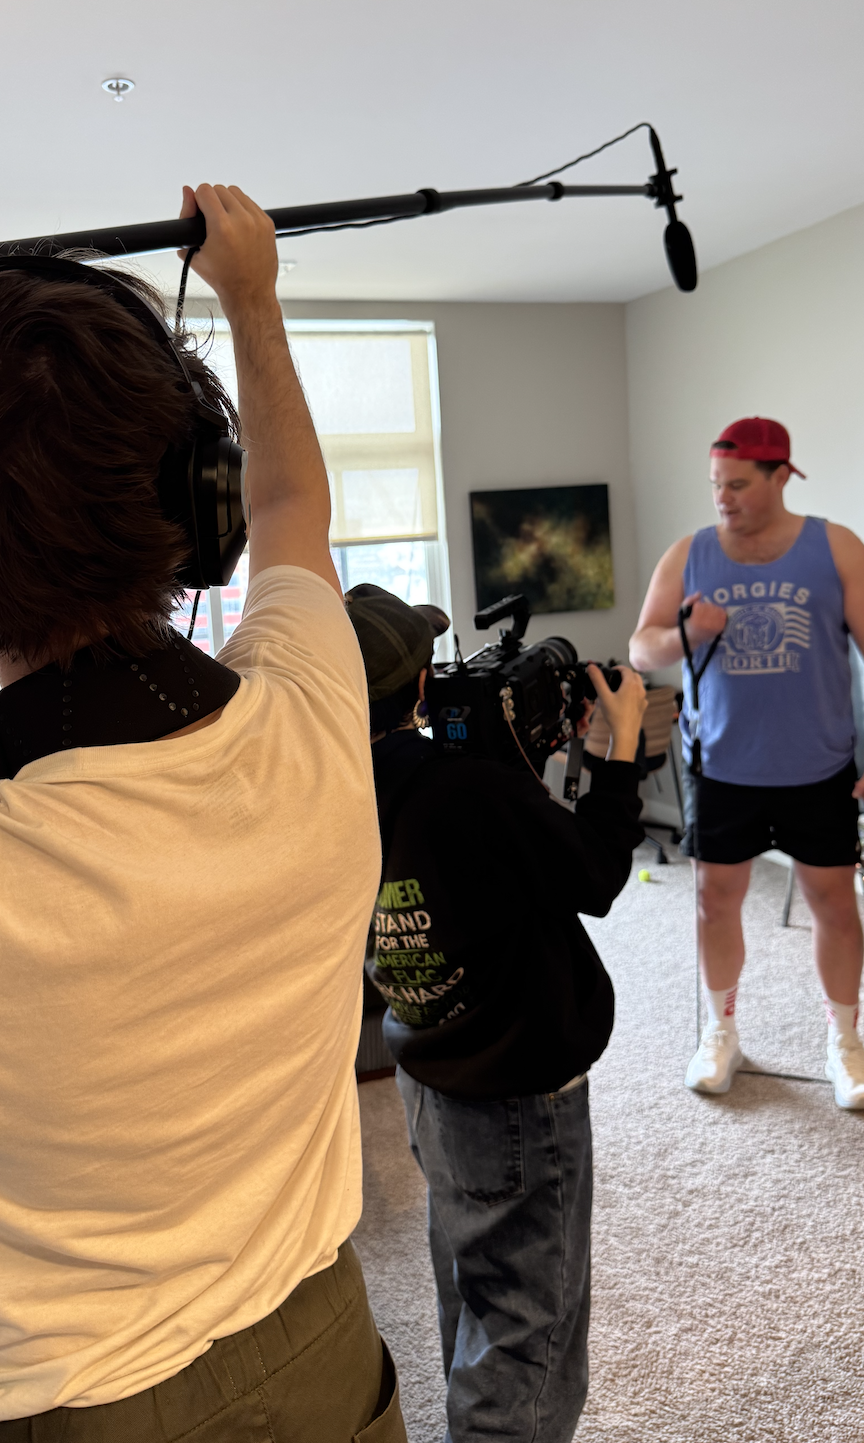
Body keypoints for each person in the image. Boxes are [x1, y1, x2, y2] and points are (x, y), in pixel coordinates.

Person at [0, 184, 407, 1440]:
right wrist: (252, 297)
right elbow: (294, 508)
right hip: (328, 1355)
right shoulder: (313, 713)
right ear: (197, 497)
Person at [346, 584, 647, 1443]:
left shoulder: (329, 791)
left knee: (474, 1290)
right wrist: (620, 750)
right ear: (420, 690)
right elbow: (594, 873)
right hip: (519, 1091)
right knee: (529, 1332)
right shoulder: (472, 791)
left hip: (428, 1065)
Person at [629, 416, 864, 1110]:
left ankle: (845, 1043)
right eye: (715, 485)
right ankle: (720, 1033)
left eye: (738, 485)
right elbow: (641, 648)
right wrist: (686, 632)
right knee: (714, 901)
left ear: (781, 476)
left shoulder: (836, 549)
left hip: (819, 766)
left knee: (833, 905)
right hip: (721, 765)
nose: (722, 498)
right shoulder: (688, 555)